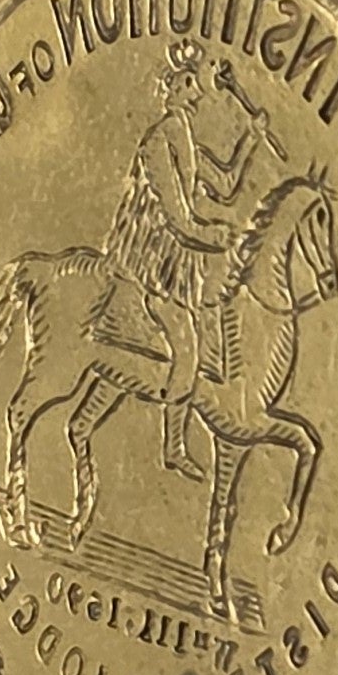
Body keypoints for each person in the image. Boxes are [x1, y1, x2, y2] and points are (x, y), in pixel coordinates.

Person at [102, 40, 259, 476]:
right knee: (187, 351)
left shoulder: (183, 134)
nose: (198, 89)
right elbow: (177, 216)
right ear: (172, 86)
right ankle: (172, 447)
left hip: (180, 262)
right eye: (190, 82)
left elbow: (224, 183)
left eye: (196, 81)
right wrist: (215, 238)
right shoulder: (159, 140)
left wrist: (251, 138)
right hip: (154, 263)